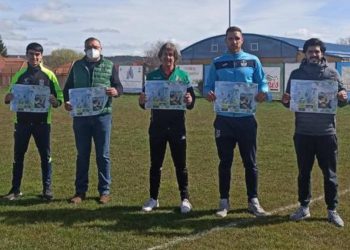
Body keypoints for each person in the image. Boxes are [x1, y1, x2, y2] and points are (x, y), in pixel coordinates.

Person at [204, 26, 270, 218]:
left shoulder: (253, 60)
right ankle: (224, 201)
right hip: (223, 121)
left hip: (246, 120)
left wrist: (263, 92)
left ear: (242, 41)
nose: (234, 41)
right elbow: (208, 86)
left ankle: (253, 200)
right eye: (230, 39)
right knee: (225, 162)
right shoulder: (217, 62)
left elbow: (263, 82)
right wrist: (208, 94)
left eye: (237, 38)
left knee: (250, 162)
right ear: (225, 41)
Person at [282, 38, 347, 227]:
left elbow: (342, 100)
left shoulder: (332, 74)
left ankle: (332, 210)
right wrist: (286, 100)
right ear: (305, 54)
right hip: (303, 132)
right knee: (304, 173)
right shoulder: (296, 74)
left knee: (330, 174)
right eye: (310, 52)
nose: (313, 55)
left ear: (322, 53)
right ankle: (304, 207)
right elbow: (288, 101)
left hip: (327, 132)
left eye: (317, 51)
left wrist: (343, 97)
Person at [63, 37, 123, 204]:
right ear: (84, 49)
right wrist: (67, 103)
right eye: (89, 47)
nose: (92, 49)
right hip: (81, 117)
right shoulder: (77, 66)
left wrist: (115, 91)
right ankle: (80, 192)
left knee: (102, 155)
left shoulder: (109, 66)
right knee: (82, 154)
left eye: (95, 47)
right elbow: (67, 89)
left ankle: (104, 191)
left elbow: (119, 87)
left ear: (101, 48)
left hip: (102, 116)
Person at [139, 42, 195, 213]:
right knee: (155, 164)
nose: (168, 58)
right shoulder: (152, 77)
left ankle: (185, 199)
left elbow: (191, 101)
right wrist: (141, 101)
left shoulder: (183, 76)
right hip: (157, 126)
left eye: (171, 55)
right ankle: (153, 198)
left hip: (177, 126)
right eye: (165, 55)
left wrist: (190, 100)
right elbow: (144, 102)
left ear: (175, 58)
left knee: (181, 165)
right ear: (160, 57)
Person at [3, 42, 63, 201]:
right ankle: (15, 190)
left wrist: (55, 101)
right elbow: (9, 96)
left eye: (37, 54)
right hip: (22, 123)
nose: (34, 57)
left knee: (45, 156)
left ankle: (47, 190)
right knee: (18, 156)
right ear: (26, 55)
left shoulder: (49, 75)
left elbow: (60, 98)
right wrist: (8, 98)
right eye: (31, 54)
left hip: (42, 123)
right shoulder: (19, 74)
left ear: (41, 56)